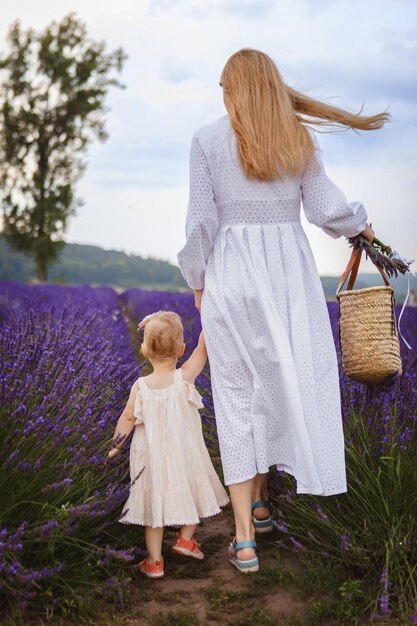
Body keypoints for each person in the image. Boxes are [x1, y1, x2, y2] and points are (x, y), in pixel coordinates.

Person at [176, 48, 384, 573]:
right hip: (288, 277)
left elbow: (200, 223)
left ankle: (245, 534)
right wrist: (359, 225)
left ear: (234, 89)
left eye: (225, 86)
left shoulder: (205, 140)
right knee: (284, 381)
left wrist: (198, 280)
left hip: (231, 276)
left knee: (240, 397)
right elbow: (325, 209)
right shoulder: (298, 138)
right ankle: (264, 505)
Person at [107, 311, 230, 579]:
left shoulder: (140, 386)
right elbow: (202, 348)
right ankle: (185, 540)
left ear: (143, 350)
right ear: (181, 349)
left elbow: (127, 417)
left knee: (154, 510)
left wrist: (115, 446)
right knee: (191, 493)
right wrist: (212, 316)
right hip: (185, 455)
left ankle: (154, 561)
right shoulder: (184, 377)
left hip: (151, 459)